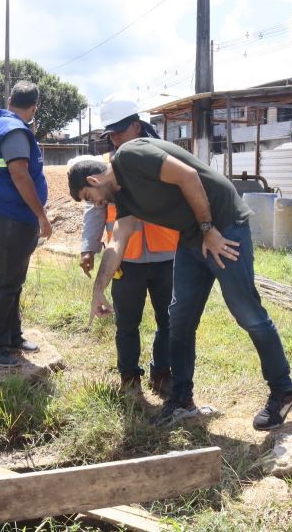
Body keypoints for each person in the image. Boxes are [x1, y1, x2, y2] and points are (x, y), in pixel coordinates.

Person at [67, 138, 292, 430]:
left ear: (93, 179)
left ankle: (283, 390)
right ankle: (181, 400)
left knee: (246, 312)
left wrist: (209, 230)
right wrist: (99, 288)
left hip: (224, 226)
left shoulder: (130, 156)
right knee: (179, 319)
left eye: (90, 196)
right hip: (192, 236)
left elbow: (187, 176)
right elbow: (118, 240)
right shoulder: (125, 198)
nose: (97, 204)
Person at [79, 95, 178, 397]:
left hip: (167, 254)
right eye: (111, 135)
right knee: (127, 323)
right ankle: (129, 378)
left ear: (136, 127)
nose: (115, 139)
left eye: (120, 132)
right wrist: (89, 246)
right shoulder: (108, 166)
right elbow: (95, 209)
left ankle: (162, 373)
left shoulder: (162, 157)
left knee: (169, 320)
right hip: (125, 258)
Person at [0, 80, 51, 368]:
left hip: (3, 214)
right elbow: (20, 176)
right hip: (7, 217)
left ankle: (12, 338)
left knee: (11, 281)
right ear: (33, 107)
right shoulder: (16, 131)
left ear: (10, 100)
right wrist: (41, 215)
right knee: (5, 282)